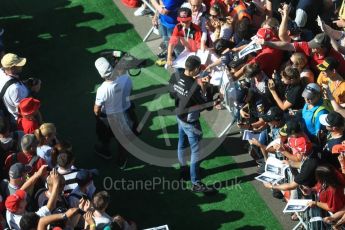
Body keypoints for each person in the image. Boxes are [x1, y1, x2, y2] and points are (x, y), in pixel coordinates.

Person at [168, 55, 213, 192]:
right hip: (190, 121)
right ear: (194, 69)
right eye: (198, 68)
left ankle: (183, 170)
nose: (199, 70)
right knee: (196, 151)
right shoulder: (193, 87)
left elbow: (172, 94)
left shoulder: (176, 75)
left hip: (179, 116)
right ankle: (196, 182)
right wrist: (207, 87)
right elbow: (208, 106)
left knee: (181, 143)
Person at [94, 56, 136, 168]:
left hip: (109, 117)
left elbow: (97, 109)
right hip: (126, 112)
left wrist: (98, 117)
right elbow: (130, 91)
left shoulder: (102, 89)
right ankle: (122, 160)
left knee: (104, 136)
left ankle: (105, 151)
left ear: (101, 74)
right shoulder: (126, 78)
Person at [0, 53, 29, 122]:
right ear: (12, 68)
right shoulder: (16, 88)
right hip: (19, 119)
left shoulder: (1, 72)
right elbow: (23, 111)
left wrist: (24, 83)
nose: (21, 66)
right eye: (19, 64)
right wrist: (33, 91)